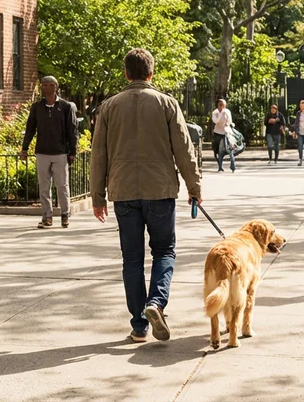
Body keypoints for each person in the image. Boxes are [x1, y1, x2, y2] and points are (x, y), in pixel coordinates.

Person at [91, 48, 202, 343]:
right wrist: (194, 187)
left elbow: (98, 154)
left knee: (132, 259)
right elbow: (184, 150)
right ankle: (156, 302)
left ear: (126, 74)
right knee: (164, 251)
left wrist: (97, 197)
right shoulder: (167, 104)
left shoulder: (109, 107)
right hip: (160, 190)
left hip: (123, 191)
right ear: (151, 73)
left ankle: (139, 325)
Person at [21, 76, 79, 229]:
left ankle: (65, 215)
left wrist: (72, 151)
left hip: (60, 152)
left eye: (47, 85)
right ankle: (47, 216)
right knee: (44, 186)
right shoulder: (37, 107)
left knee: (62, 185)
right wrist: (24, 148)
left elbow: (72, 130)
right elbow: (30, 129)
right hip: (42, 152)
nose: (44, 87)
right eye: (43, 85)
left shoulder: (65, 107)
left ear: (55, 87)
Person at [211, 99, 236, 173]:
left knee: (230, 149)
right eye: (220, 105)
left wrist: (228, 123)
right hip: (218, 133)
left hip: (226, 132)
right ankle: (220, 167)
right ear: (218, 105)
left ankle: (233, 166)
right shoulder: (215, 112)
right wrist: (221, 113)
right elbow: (216, 121)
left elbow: (229, 121)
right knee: (219, 151)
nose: (222, 107)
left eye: (224, 105)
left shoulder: (227, 111)